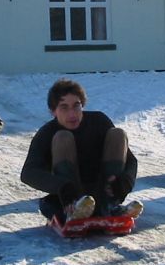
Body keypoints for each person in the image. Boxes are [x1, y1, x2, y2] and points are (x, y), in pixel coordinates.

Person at [21, 79, 142, 223]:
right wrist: (62, 186)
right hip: (69, 197)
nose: (72, 114)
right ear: (53, 111)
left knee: (118, 134)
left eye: (76, 106)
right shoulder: (47, 133)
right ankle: (74, 209)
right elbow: (28, 173)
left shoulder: (99, 121)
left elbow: (131, 160)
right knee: (63, 137)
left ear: (82, 105)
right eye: (64, 107)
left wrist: (125, 182)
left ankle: (110, 205)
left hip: (102, 190)